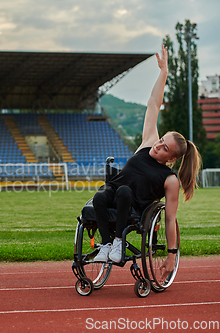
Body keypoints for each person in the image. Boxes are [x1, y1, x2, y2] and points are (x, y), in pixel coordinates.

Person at [92, 45, 201, 283]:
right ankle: (107, 244)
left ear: (171, 158)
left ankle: (119, 244)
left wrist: (171, 255)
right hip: (114, 195)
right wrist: (163, 73)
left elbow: (171, 219)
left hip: (134, 207)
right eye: (161, 140)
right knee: (100, 197)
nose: (158, 145)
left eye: (164, 148)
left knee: (122, 192)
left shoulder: (169, 179)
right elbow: (153, 104)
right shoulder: (148, 142)